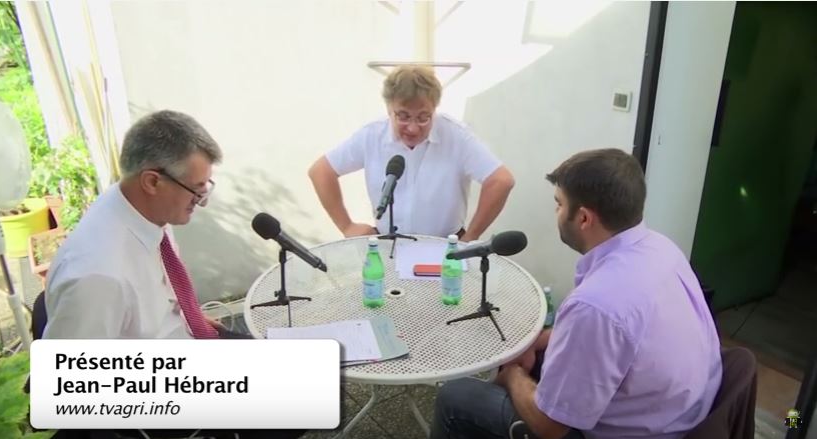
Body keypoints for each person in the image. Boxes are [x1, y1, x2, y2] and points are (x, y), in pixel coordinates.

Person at [431, 148, 722, 439]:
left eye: (558, 204)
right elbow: (613, 340)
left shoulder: (596, 304)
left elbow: (550, 427)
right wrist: (535, 340)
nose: (556, 213)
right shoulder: (662, 248)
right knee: (539, 355)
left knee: (456, 397)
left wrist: (512, 376)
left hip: (635, 432)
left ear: (583, 218)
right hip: (681, 413)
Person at [44, 110, 232, 340]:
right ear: (152, 182)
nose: (203, 202)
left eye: (205, 186)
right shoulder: (97, 279)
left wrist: (189, 319)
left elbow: (155, 300)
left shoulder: (145, 210)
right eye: (195, 190)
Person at [308, 65, 515, 241]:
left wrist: (470, 238)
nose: (413, 128)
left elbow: (501, 180)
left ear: (435, 108)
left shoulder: (456, 136)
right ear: (389, 108)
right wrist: (347, 226)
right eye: (403, 116)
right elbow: (321, 171)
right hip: (387, 244)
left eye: (424, 117)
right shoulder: (372, 135)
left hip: (444, 247)